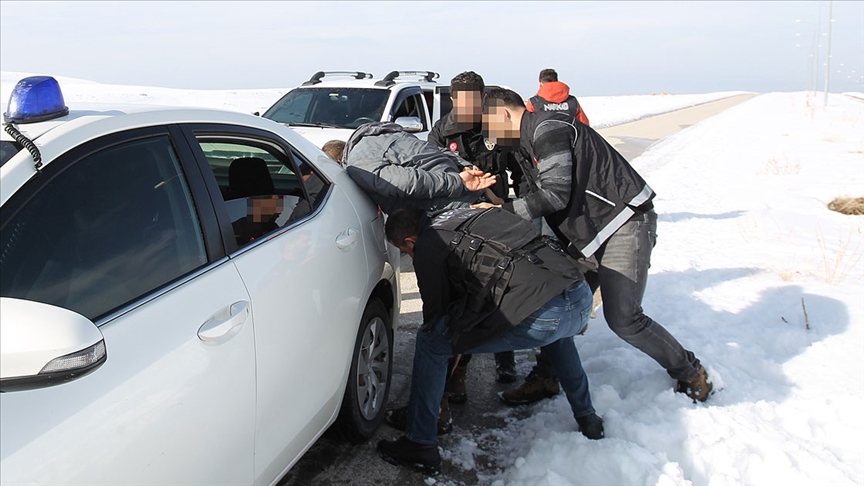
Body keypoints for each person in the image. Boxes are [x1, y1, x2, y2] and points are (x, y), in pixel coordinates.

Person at [480, 87, 713, 405]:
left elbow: (554, 195)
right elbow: (535, 195)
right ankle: (547, 377)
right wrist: (498, 200)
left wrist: (502, 213)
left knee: (624, 318)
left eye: (489, 125)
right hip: (588, 235)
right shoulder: (525, 141)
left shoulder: (547, 129)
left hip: (622, 223)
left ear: (504, 114)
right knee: (557, 303)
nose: (490, 135)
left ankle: (692, 373)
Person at [377, 207, 604, 474]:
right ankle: (587, 416)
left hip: (545, 315)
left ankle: (420, 443)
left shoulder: (428, 244)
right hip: (578, 296)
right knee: (557, 336)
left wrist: (456, 344)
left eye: (405, 251)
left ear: (410, 241)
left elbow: (435, 316)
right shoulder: (462, 215)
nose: (409, 256)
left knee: (431, 344)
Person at [428, 71, 523, 389]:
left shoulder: (496, 125)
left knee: (503, 286)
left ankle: (505, 358)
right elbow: (432, 175)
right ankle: (459, 371)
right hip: (460, 218)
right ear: (453, 100)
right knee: (464, 292)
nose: (468, 107)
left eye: (474, 100)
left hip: (498, 213)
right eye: (462, 101)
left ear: (482, 98)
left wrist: (522, 209)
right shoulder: (442, 131)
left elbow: (520, 169)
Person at [342, 121, 496, 215]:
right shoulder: (384, 135)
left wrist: (458, 182)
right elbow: (437, 150)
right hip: (473, 192)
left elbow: (406, 183)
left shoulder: (357, 163)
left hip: (458, 208)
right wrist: (467, 167)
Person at [525, 68, 590, 126]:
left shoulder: (533, 102)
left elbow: (526, 126)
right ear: (556, 81)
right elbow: (584, 124)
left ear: (540, 83)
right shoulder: (572, 101)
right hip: (569, 135)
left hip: (542, 135)